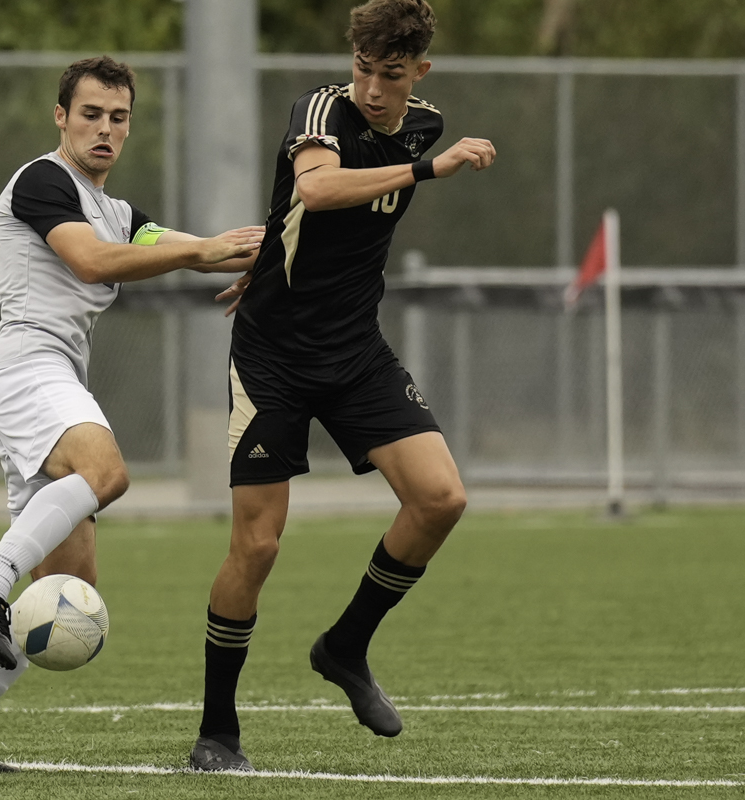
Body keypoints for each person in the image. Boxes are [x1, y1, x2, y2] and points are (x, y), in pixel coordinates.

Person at [0, 55, 262, 774]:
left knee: (62, 598)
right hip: (26, 370)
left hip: (51, 379)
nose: (104, 128)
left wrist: (251, 255)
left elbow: (166, 243)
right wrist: (205, 253)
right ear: (61, 116)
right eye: (91, 113)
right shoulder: (44, 182)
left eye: (118, 117)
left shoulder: (121, 212)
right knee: (107, 472)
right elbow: (95, 263)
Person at [189, 0, 495, 772]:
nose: (372, 88)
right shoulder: (320, 111)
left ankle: (346, 646)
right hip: (273, 356)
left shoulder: (424, 120)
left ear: (419, 72)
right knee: (257, 546)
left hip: (356, 352)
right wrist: (433, 168)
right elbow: (318, 191)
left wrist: (424, 155)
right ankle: (217, 732)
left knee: (441, 499)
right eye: (363, 68)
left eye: (391, 75)